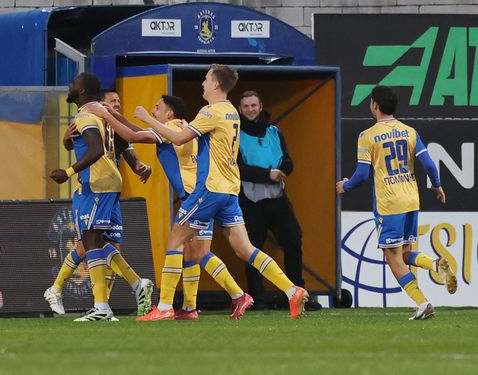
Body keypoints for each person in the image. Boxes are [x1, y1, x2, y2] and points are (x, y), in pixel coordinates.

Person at [131, 64, 309, 321]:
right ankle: (292, 290)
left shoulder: (211, 111)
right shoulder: (232, 112)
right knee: (245, 249)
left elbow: (179, 138)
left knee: (175, 241)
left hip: (209, 189)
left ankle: (166, 306)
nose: (202, 84)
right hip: (230, 190)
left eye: (206, 79)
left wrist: (148, 119)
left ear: (216, 84)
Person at [86, 94, 215, 321]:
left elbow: (133, 136)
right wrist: (116, 115)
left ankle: (171, 306)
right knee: (195, 253)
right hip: (203, 193)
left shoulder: (171, 129)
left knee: (186, 248)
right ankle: (189, 307)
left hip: (194, 197)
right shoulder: (180, 127)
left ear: (169, 114)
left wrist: (107, 115)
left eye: (157, 107)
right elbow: (139, 131)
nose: (153, 110)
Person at [336, 85, 457, 320]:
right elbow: (429, 164)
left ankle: (422, 303)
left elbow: (362, 174)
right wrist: (437, 185)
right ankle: (435, 264)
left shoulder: (367, 136)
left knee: (393, 259)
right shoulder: (409, 132)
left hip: (390, 203)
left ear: (375, 105)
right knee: (405, 253)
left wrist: (345, 186)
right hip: (411, 200)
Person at [48, 72, 154, 322]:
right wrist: (67, 142)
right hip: (109, 183)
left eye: (73, 83)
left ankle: (99, 305)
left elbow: (97, 149)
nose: (69, 85)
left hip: (96, 184)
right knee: (96, 242)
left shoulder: (87, 115)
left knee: (90, 241)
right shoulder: (102, 118)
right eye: (112, 101)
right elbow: (115, 144)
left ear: (83, 91)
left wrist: (68, 171)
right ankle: (132, 287)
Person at [237, 90, 321, 311]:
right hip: (251, 200)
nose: (250, 110)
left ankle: (297, 294)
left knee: (293, 239)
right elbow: (238, 169)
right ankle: (257, 297)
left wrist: (283, 170)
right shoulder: (236, 134)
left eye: (253, 105)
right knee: (252, 249)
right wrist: (268, 174)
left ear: (260, 105)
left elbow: (288, 161)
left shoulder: (275, 131)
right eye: (246, 106)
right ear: (239, 109)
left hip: (277, 197)